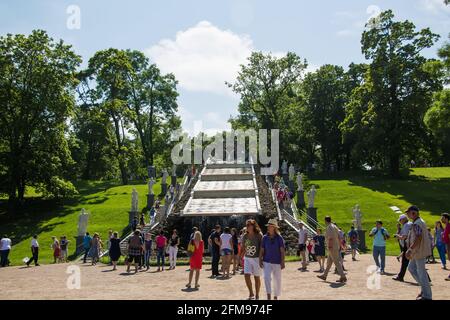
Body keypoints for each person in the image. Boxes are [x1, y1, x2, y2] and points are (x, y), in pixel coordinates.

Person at [405, 205, 432, 300]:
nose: (407, 214)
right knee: (411, 268)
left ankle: (427, 296)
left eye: (409, 212)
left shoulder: (417, 223)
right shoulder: (419, 222)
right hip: (418, 251)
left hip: (418, 251)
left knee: (421, 273)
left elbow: (418, 238)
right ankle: (424, 290)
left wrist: (410, 249)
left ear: (414, 213)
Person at [260, 219, 285, 300]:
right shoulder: (264, 237)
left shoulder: (279, 238)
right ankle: (268, 295)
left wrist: (282, 261)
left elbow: (282, 250)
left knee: (277, 280)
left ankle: (275, 296)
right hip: (266, 261)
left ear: (274, 228)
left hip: (277, 262)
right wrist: (260, 259)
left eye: (270, 226)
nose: (269, 228)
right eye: (268, 226)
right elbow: (262, 250)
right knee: (266, 278)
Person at [317, 216, 347, 283]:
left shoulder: (329, 227)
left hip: (332, 247)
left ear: (325, 221)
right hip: (335, 246)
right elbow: (339, 237)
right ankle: (324, 275)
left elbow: (330, 238)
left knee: (336, 262)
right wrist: (340, 245)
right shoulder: (334, 226)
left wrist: (330, 247)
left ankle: (343, 276)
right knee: (329, 262)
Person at [240, 219, 263, 300]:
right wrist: (240, 257)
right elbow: (243, 248)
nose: (248, 226)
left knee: (257, 277)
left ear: (254, 225)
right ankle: (251, 292)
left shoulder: (259, 235)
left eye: (249, 225)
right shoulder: (245, 236)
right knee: (246, 275)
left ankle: (257, 294)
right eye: (247, 225)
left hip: (256, 259)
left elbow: (262, 248)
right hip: (247, 258)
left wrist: (260, 259)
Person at [393, 214, 413, 282]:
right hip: (411, 244)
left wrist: (397, 236)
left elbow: (405, 236)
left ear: (404, 219)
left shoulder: (406, 225)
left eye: (400, 220)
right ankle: (427, 278)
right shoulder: (410, 224)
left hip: (407, 244)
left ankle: (400, 276)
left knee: (405, 261)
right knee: (416, 261)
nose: (400, 222)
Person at [441, 213, 450, 280]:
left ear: (446, 219)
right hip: (447, 244)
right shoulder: (447, 226)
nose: (441, 219)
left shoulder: (449, 226)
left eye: (442, 218)